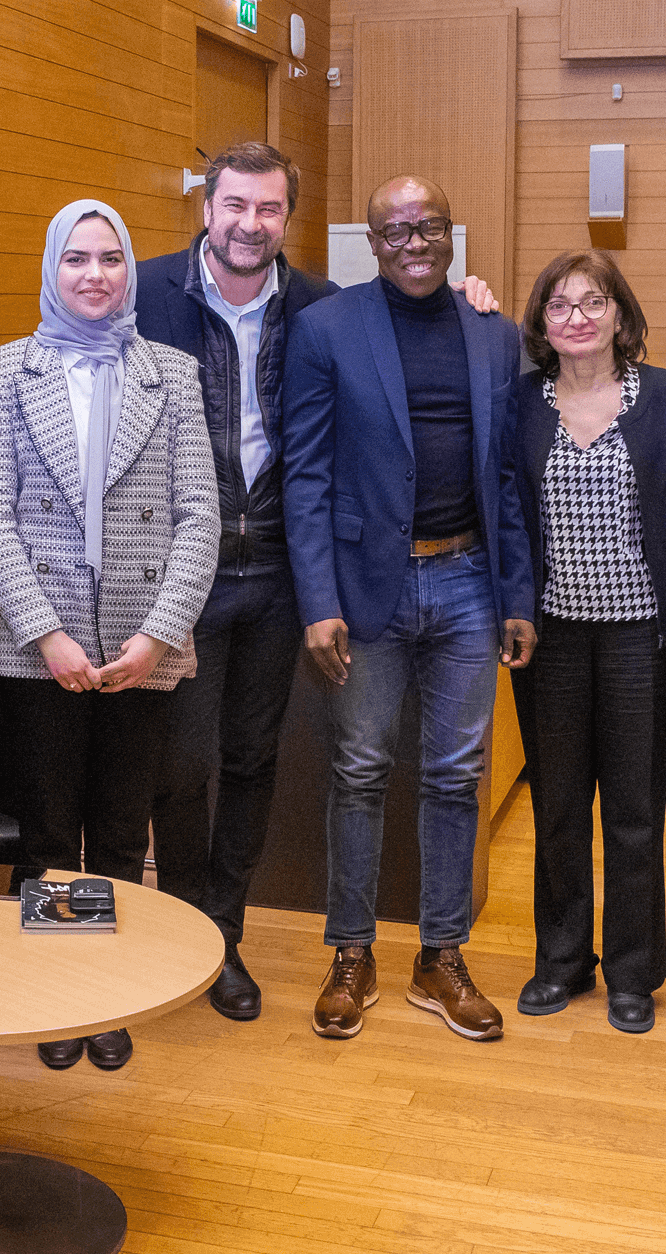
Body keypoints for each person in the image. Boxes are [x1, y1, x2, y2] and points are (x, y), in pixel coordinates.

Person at [137, 143, 500, 1021]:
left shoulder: (319, 307)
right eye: (235, 206)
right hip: (176, 570)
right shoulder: (146, 293)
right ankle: (182, 929)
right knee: (182, 765)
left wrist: (473, 298)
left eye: (268, 209)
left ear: (288, 218)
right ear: (207, 207)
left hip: (275, 574)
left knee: (253, 757)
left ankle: (222, 937)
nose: (250, 224)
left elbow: (329, 434)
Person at [281, 174, 535, 1043]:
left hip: (469, 579)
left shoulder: (493, 333)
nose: (415, 242)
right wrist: (317, 599)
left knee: (455, 775)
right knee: (359, 770)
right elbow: (305, 474)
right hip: (365, 590)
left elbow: (506, 476)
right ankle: (352, 951)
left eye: (429, 226)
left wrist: (516, 595)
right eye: (397, 231)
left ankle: (441, 955)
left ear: (452, 233)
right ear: (374, 244)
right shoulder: (328, 329)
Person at [0, 199, 219, 1072]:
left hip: (141, 652)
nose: (96, 275)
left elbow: (199, 519)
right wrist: (48, 636)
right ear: (52, 267)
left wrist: (157, 634)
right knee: (47, 833)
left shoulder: (173, 374)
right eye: (76, 258)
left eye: (111, 258)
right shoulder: (7, 373)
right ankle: (57, 993)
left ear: (129, 271)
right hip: (45, 654)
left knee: (118, 833)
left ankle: (106, 995)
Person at [507, 251, 666, 1035]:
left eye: (592, 301)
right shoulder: (518, 403)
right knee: (557, 803)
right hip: (550, 639)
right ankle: (563, 959)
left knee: (635, 809)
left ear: (619, 313)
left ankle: (634, 970)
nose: (576, 317)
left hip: (639, 638)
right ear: (541, 323)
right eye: (559, 305)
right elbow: (507, 517)